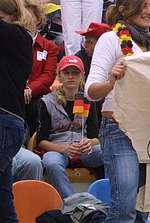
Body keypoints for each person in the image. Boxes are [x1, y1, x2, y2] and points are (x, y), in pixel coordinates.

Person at [86, 0, 150, 222]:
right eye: (144, 6)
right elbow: (91, 91)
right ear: (124, 10)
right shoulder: (110, 38)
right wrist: (111, 81)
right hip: (120, 129)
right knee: (125, 208)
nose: (149, 12)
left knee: (143, 210)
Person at [37, 55, 102, 199]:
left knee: (108, 153)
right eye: (66, 73)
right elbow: (41, 141)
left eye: (75, 73)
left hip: (85, 149)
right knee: (51, 161)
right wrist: (64, 149)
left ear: (82, 76)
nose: (71, 77)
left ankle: (108, 199)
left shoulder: (88, 100)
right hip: (58, 148)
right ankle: (73, 203)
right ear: (59, 76)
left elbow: (97, 137)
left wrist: (90, 143)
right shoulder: (46, 102)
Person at [0, 0, 33, 221]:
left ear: (12, 14)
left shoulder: (17, 35)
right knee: (3, 199)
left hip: (4, 120)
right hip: (8, 122)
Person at [22, 0, 58, 135]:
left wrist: (30, 89)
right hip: (14, 93)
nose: (23, 20)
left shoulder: (49, 47)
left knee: (38, 108)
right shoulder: (9, 42)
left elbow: (48, 76)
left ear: (38, 20)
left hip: (37, 96)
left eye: (28, 16)